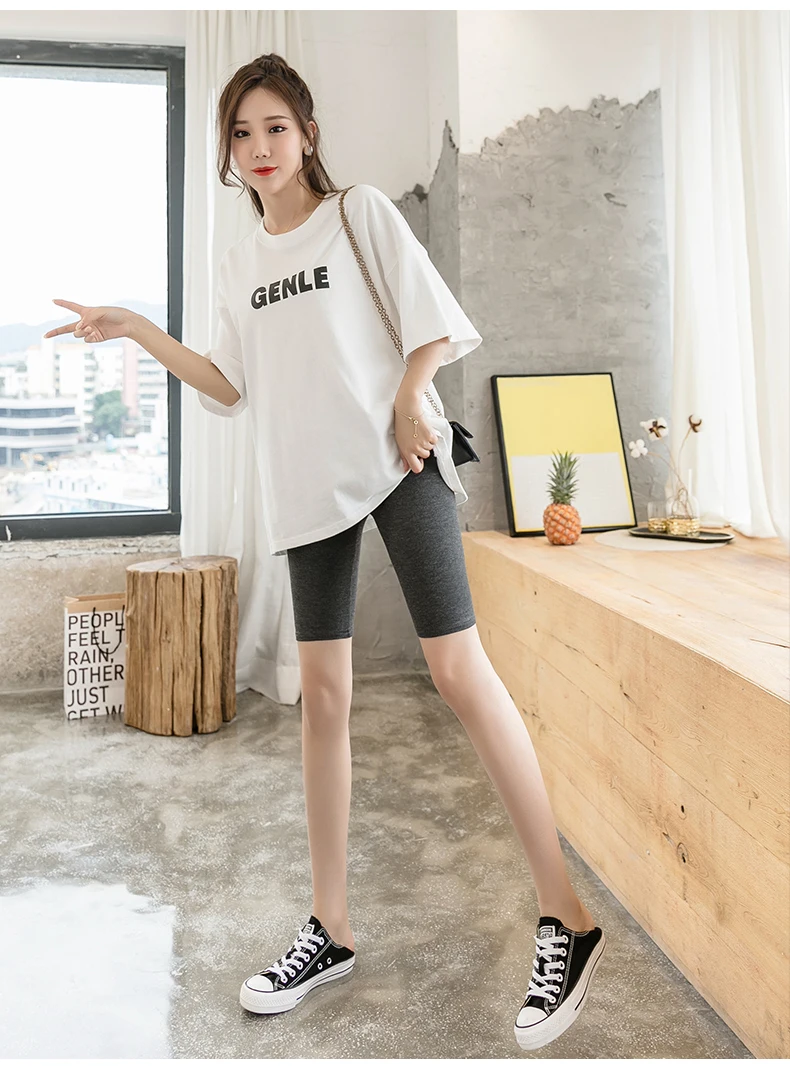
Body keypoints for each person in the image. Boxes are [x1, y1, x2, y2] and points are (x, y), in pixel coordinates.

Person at [44, 52, 606, 1052]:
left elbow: (430, 325)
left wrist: (409, 395)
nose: (259, 147)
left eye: (275, 127)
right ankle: (332, 927)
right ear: (228, 152)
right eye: (241, 132)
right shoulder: (238, 261)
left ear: (306, 133)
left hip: (399, 459)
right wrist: (137, 330)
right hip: (306, 488)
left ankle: (567, 914)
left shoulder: (359, 214)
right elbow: (228, 384)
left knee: (457, 670)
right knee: (325, 699)